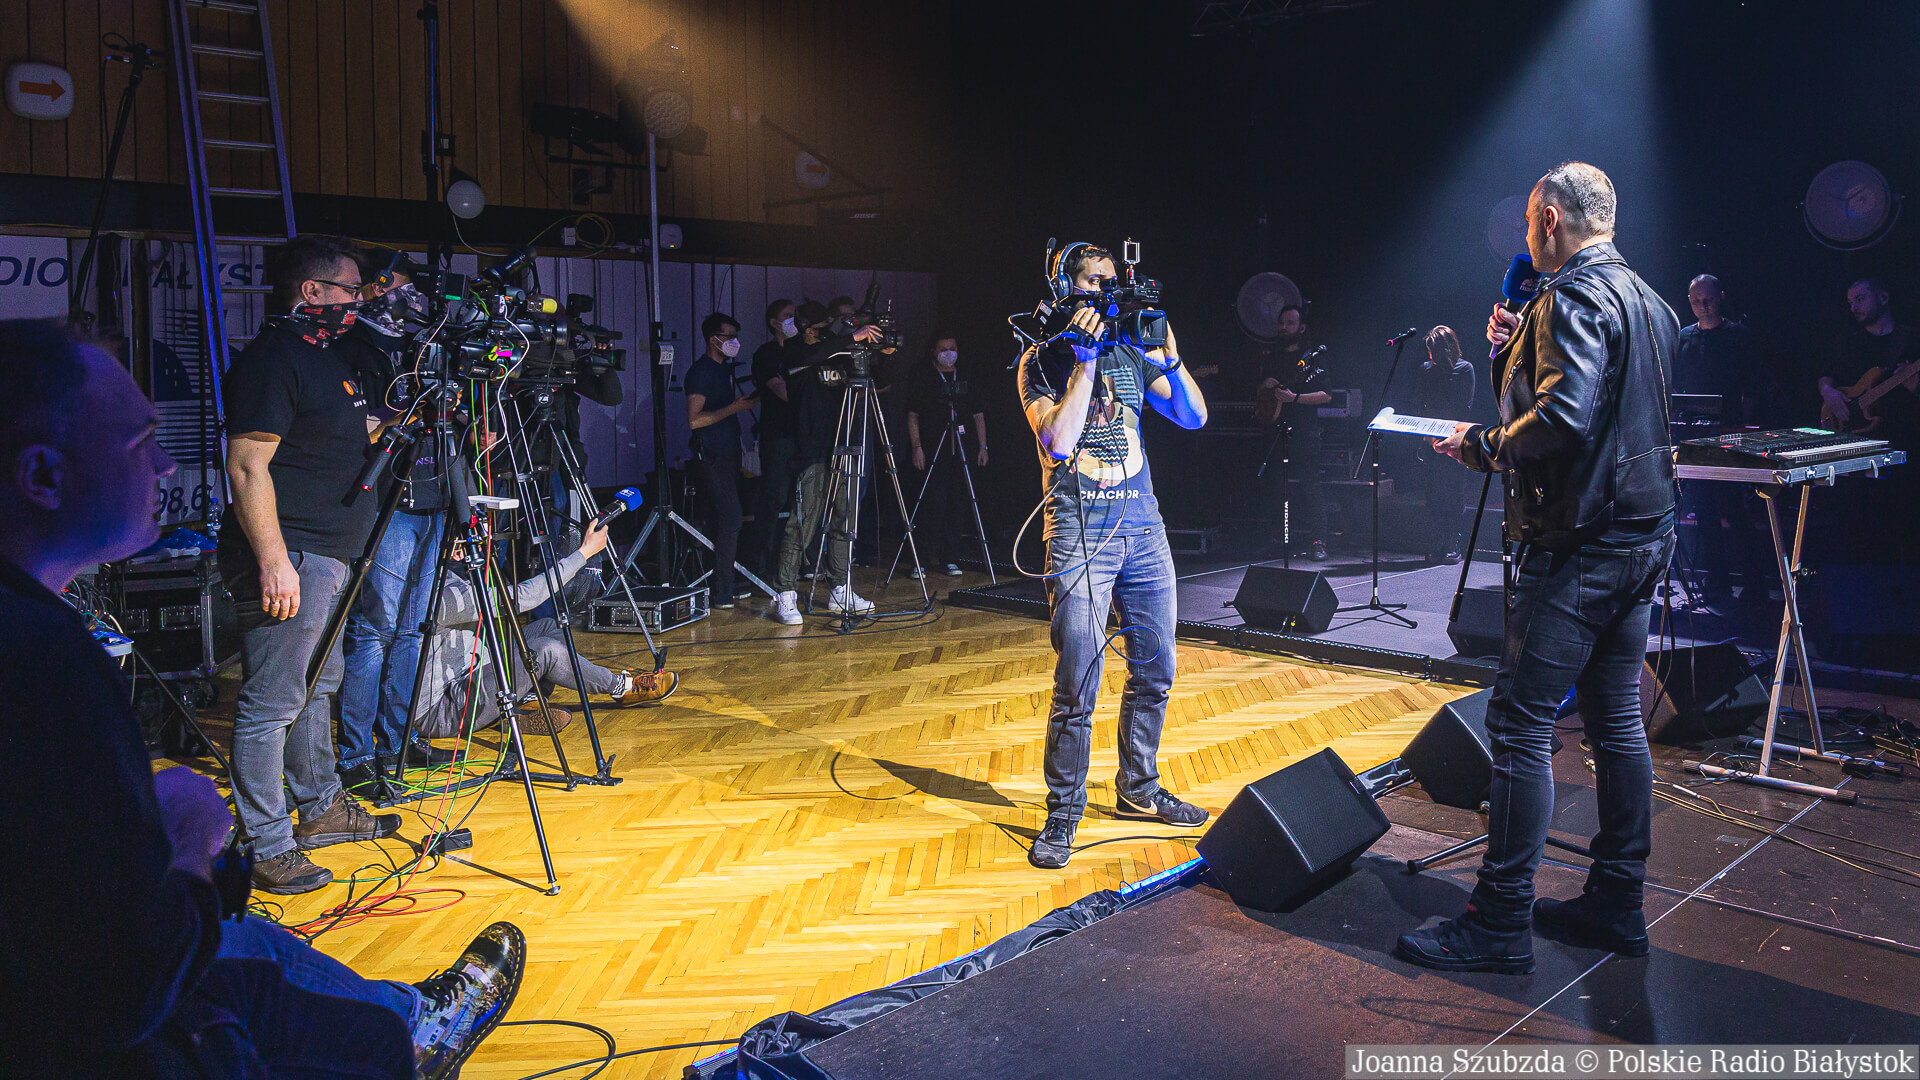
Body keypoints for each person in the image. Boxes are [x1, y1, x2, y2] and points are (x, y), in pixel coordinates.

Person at [0, 318, 523, 1080]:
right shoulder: (40, 664)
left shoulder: (37, 638)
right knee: (276, 708)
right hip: (104, 1034)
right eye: (140, 442)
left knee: (264, 935)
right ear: (43, 477)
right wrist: (184, 834)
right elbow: (116, 987)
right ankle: (399, 1019)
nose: (170, 462)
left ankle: (409, 1013)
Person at [1410, 161, 1678, 973]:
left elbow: (1562, 417)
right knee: (1616, 722)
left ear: (1551, 220)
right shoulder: (1652, 302)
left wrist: (1480, 445)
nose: (1529, 235)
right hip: (1639, 537)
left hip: (1576, 543)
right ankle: (1616, 904)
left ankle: (1496, 925)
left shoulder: (1570, 296)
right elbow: (1595, 404)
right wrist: (1512, 348)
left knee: (1520, 726)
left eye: (1532, 221)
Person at [1017, 242, 1212, 869]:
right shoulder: (1039, 361)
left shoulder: (1129, 352)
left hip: (1142, 525)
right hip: (1078, 529)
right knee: (1079, 679)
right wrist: (1084, 364)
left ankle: (1138, 788)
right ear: (1063, 288)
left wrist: (1171, 356)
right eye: (1090, 282)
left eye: (1110, 282)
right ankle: (1064, 811)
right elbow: (1058, 441)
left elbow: (1193, 416)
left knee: (1156, 667)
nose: (1101, 292)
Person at [220, 235, 401, 895]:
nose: (361, 302)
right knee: (271, 705)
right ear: (313, 292)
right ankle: (268, 846)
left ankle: (321, 807)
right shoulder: (273, 359)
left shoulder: (330, 359)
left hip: (331, 551)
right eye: (351, 291)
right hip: (290, 554)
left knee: (314, 691)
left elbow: (339, 438)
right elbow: (247, 466)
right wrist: (274, 561)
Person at [336, 257, 456, 797]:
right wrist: (406, 412)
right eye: (406, 289)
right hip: (389, 502)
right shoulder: (353, 345)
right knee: (375, 632)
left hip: (433, 496)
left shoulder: (423, 346)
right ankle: (357, 753)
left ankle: (399, 739)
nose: (415, 301)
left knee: (413, 630)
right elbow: (355, 426)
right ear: (377, 288)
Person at [413, 519, 677, 741]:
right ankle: (621, 687)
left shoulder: (438, 573)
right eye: (457, 540)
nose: (465, 544)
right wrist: (583, 553)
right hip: (445, 708)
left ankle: (525, 702)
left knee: (549, 627)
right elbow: (522, 597)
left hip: (475, 670)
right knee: (545, 652)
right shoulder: (436, 595)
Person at [767, 301, 885, 624]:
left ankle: (840, 589)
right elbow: (810, 358)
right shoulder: (793, 351)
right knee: (802, 523)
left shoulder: (837, 350)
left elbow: (872, 369)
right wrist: (851, 339)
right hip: (812, 450)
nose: (824, 334)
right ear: (807, 329)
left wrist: (876, 347)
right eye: (820, 328)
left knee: (844, 519)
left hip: (842, 445)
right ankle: (786, 593)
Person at [1675, 274, 1763, 605]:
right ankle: (1717, 584)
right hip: (1695, 435)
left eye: (1708, 299)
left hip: (1729, 433)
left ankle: (1754, 585)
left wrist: (1744, 423)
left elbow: (1752, 384)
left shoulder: (1737, 335)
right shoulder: (1685, 337)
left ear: (1721, 297)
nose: (1703, 306)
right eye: (1697, 301)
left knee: (1734, 511)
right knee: (1705, 511)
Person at [686, 312, 755, 609]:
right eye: (728, 337)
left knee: (724, 519)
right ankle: (723, 590)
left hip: (727, 454)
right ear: (713, 339)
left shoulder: (723, 370)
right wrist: (734, 408)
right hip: (711, 455)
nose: (733, 343)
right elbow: (694, 420)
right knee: (731, 517)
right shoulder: (702, 371)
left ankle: (724, 584)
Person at [906, 333, 989, 577]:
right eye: (943, 348)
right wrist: (917, 447)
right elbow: (912, 414)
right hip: (934, 449)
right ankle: (919, 559)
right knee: (931, 504)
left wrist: (983, 447)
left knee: (958, 503)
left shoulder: (967, 376)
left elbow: (978, 414)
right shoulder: (923, 376)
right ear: (933, 350)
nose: (948, 352)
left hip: (962, 448)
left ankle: (949, 557)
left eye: (952, 348)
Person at [1255, 305, 1331, 560]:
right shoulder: (1271, 356)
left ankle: (1318, 541)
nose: (1283, 327)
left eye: (1289, 323)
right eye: (1281, 323)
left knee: (1311, 486)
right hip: (1275, 430)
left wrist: (1294, 397)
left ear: (1301, 328)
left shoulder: (1313, 358)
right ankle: (1277, 538)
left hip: (1305, 432)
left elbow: (1325, 395)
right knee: (1275, 486)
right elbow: (1260, 392)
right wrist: (1264, 385)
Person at [1819, 277, 1919, 443]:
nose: (1853, 308)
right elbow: (1826, 374)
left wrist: (1917, 388)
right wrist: (1828, 392)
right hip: (1857, 437)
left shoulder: (1911, 338)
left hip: (1905, 436)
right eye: (1850, 302)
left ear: (1883, 298)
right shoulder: (1847, 341)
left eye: (1860, 299)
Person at [745, 298, 800, 577]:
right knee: (773, 498)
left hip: (804, 435)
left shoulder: (802, 350)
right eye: (788, 315)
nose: (794, 320)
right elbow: (781, 390)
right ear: (775, 323)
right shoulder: (766, 354)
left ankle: (799, 563)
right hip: (777, 435)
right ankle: (761, 562)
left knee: (803, 499)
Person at [1415, 325, 1475, 564]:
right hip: (1430, 438)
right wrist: (1426, 435)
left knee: (1453, 491)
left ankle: (1453, 542)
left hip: (1454, 437)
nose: (1432, 357)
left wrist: (1447, 435)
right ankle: (1437, 541)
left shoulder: (1464, 369)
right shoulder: (1426, 370)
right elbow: (1420, 404)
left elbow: (1465, 405)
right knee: (1432, 492)